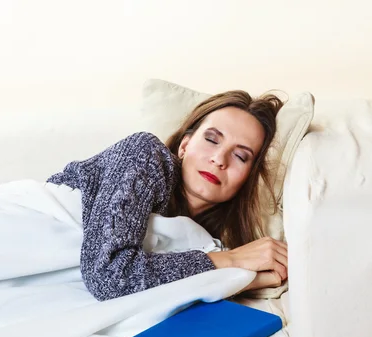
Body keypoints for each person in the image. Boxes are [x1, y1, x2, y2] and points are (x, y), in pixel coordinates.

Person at [47, 90, 288, 301]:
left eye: (240, 156)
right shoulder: (146, 154)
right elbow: (110, 275)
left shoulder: (203, 240)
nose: (218, 159)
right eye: (211, 140)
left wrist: (241, 279)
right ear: (184, 146)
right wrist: (232, 262)